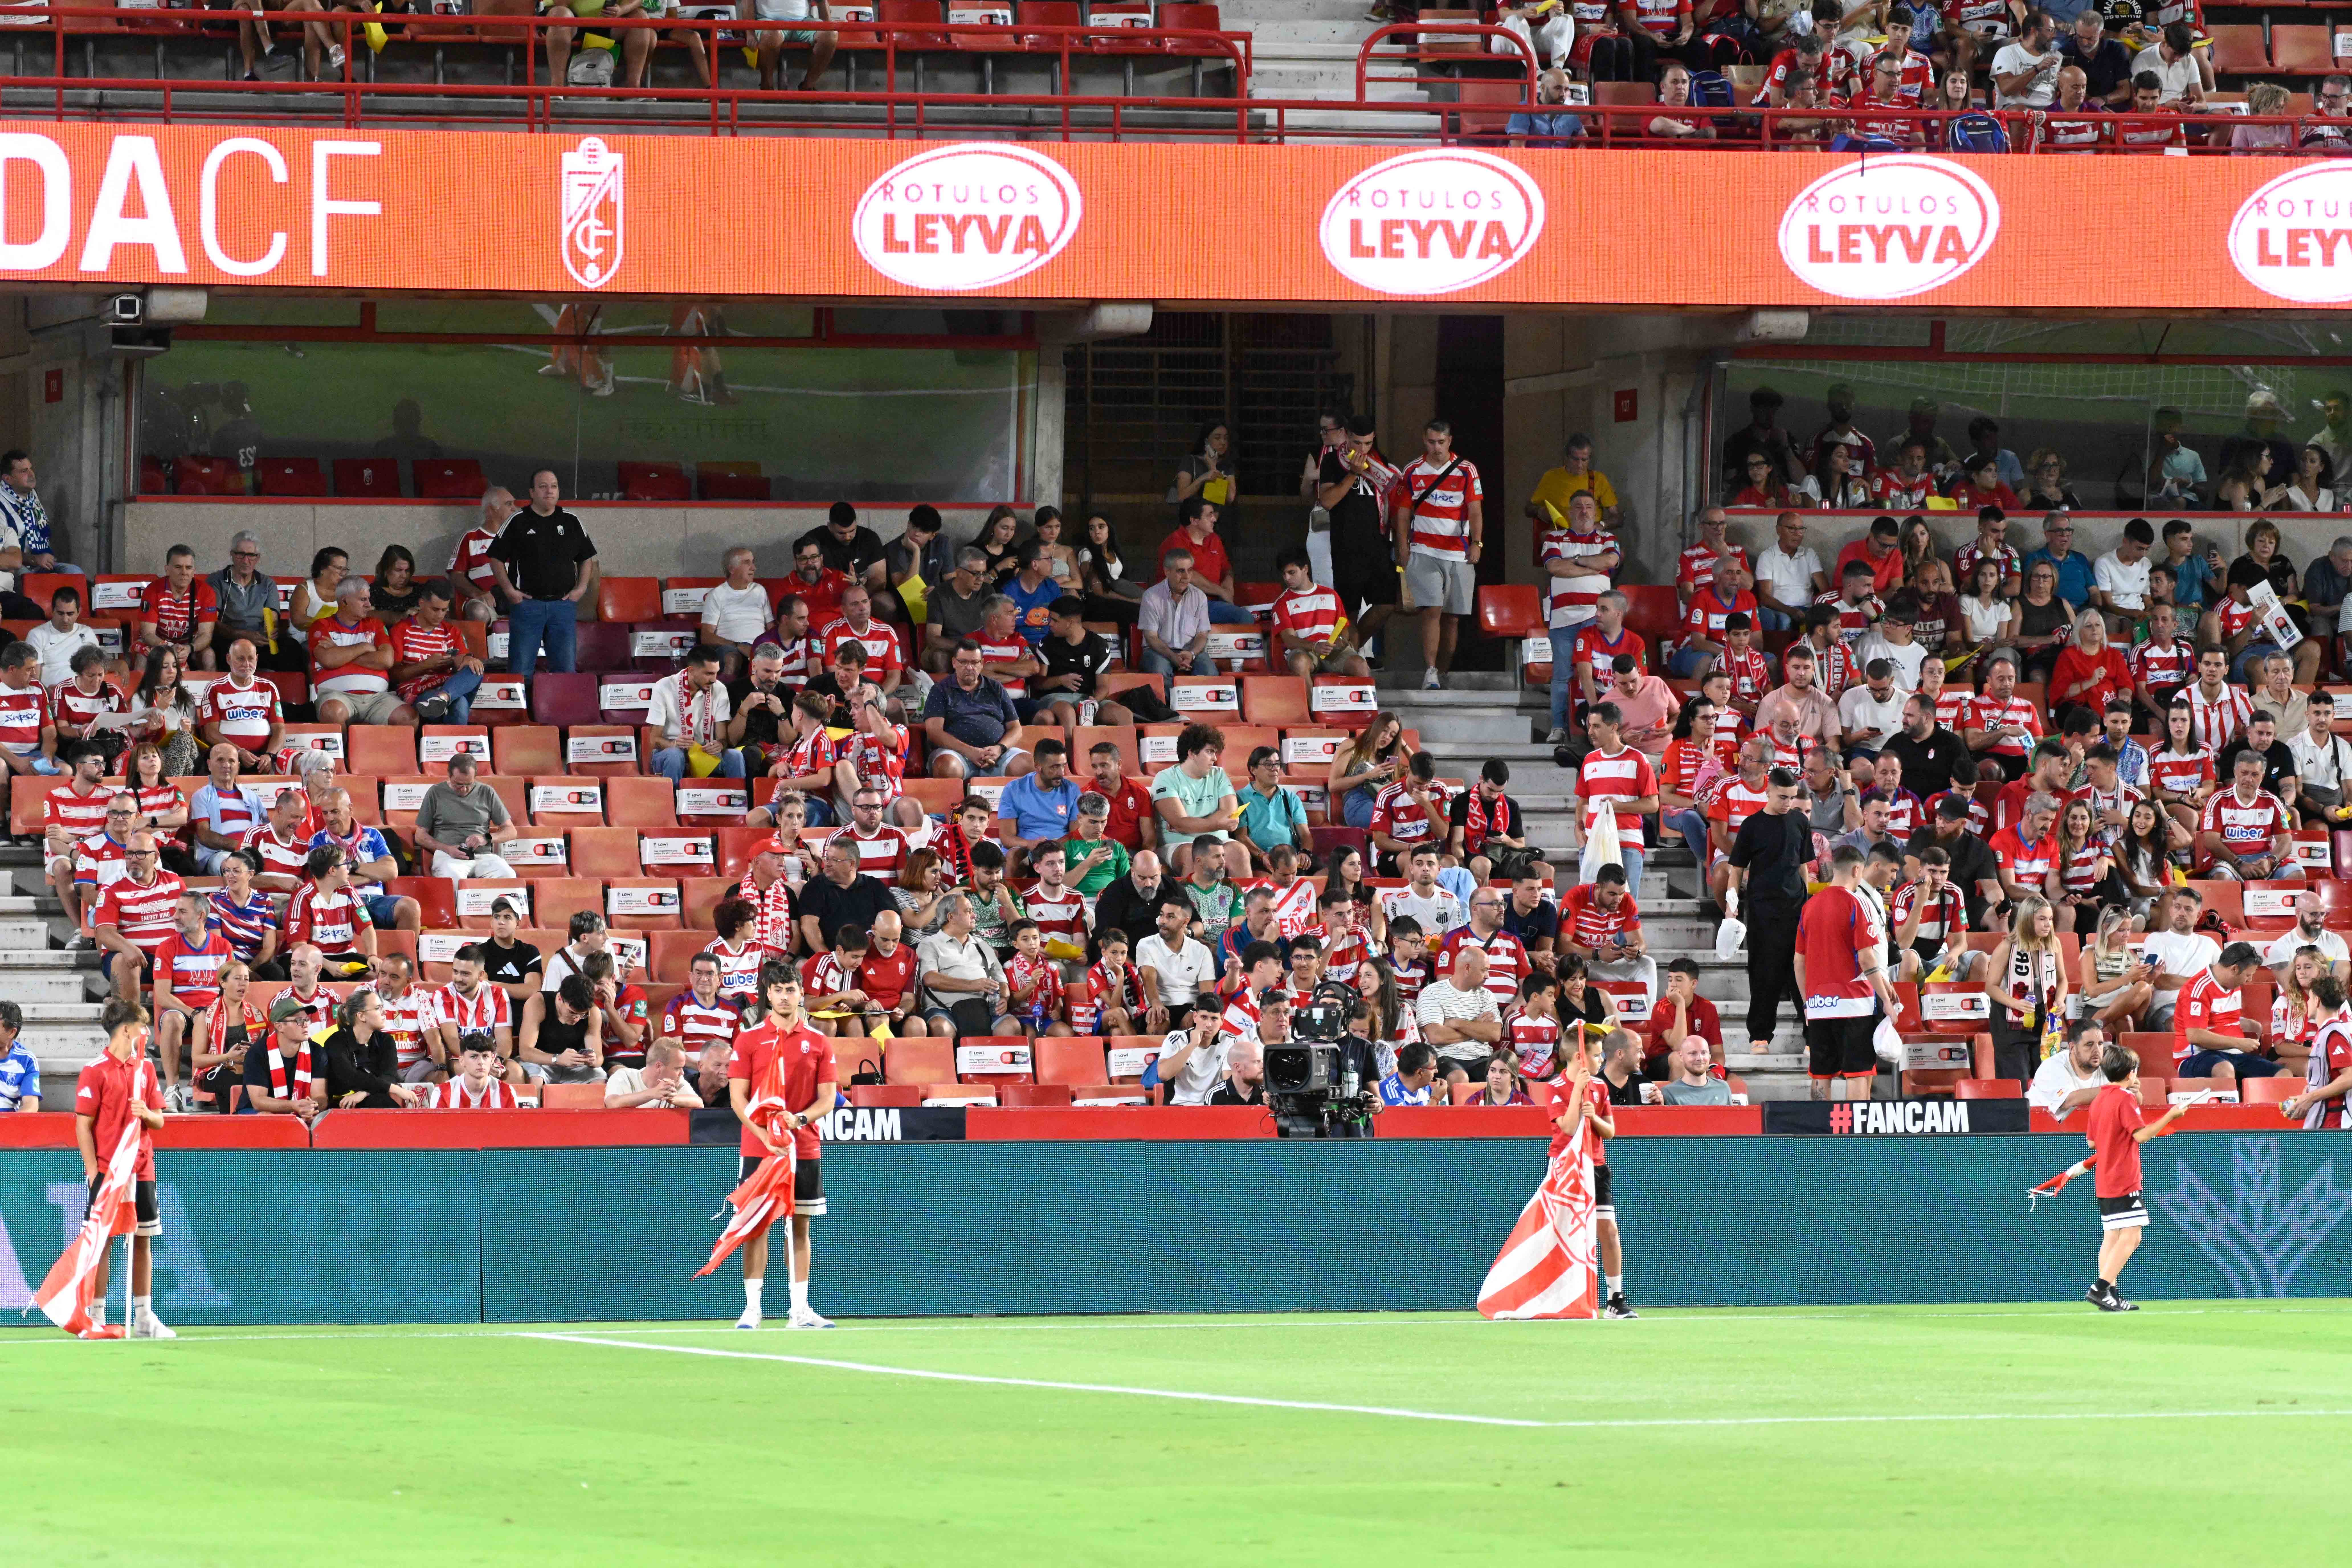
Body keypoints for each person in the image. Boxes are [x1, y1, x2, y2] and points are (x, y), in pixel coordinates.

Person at [724, 964, 837, 1330]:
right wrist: (762, 1135)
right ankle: (753, 1309)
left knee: (799, 1226)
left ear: (801, 993)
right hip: (760, 1148)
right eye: (778, 990)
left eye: (791, 989)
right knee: (756, 1225)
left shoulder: (819, 1041)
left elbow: (828, 1098)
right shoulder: (749, 1039)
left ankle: (800, 1310)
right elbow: (738, 1097)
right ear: (768, 995)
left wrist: (800, 1120)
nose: (785, 996)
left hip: (803, 1145)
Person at [71, 997, 172, 1337]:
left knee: (143, 1240)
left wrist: (147, 1113)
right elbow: (83, 1124)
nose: (146, 1032)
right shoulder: (94, 1069)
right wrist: (91, 1171)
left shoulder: (146, 1070)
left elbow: (159, 1120)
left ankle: (144, 1317)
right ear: (127, 1030)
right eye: (143, 1027)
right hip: (108, 1171)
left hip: (142, 1168)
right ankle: (97, 1315)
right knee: (102, 1241)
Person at [2076, 1044, 2190, 1311]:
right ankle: (2101, 1289)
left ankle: (2110, 1295)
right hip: (2124, 1178)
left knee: (2113, 1235)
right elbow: (2140, 1135)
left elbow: (2092, 1142)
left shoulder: (2099, 1100)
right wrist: (2171, 1115)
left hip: (2105, 1179)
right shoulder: (2124, 1098)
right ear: (2131, 1073)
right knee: (2133, 1236)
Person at [1393, 418, 1484, 691]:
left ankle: (1443, 672)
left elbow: (1476, 510)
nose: (1436, 448)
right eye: (1432, 442)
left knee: (1453, 617)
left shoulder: (1467, 470)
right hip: (1423, 550)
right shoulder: (1412, 469)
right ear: (1425, 440)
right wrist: (1402, 546)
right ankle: (1430, 671)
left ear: (1450, 441)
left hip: (1458, 553)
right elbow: (1402, 512)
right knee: (1432, 609)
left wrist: (1477, 544)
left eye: (1441, 442)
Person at [486, 469, 597, 680]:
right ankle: (521, 714)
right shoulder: (517, 521)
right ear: (532, 492)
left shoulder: (572, 521)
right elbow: (495, 558)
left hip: (563, 607)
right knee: (521, 672)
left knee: (565, 671)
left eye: (554, 486)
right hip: (527, 606)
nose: (549, 491)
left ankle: (562, 713)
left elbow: (586, 558)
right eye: (543, 486)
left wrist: (581, 589)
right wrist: (510, 591)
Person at [2175, 940, 2283, 1091]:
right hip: (2196, 1057)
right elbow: (2195, 1036)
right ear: (2235, 969)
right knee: (2225, 1070)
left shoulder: (2234, 984)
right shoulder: (2197, 989)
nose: (2249, 981)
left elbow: (2222, 1019)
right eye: (2248, 975)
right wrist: (2238, 1043)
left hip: (2234, 1055)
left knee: (2283, 1074)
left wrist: (2248, 1025)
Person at [922, 638, 1030, 781]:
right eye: (963, 662)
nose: (969, 668)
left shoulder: (996, 688)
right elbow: (934, 733)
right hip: (958, 754)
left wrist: (1000, 749)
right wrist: (971, 752)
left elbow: (1016, 729)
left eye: (974, 663)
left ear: (982, 664)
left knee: (1029, 764)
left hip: (997, 755)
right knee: (946, 768)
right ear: (954, 663)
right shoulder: (940, 690)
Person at [413, 750, 517, 882]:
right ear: (449, 776)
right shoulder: (436, 793)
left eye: (469, 784)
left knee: (508, 876)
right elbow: (420, 836)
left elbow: (511, 831)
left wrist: (486, 838)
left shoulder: (487, 792)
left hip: (483, 855)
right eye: (458, 784)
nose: (464, 789)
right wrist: (447, 849)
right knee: (453, 878)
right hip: (449, 856)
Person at [1656, 1034, 1733, 1106]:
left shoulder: (1723, 1088)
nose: (1700, 1058)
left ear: (1710, 1056)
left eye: (1704, 1053)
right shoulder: (1668, 1093)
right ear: (1681, 1057)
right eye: (1693, 1053)